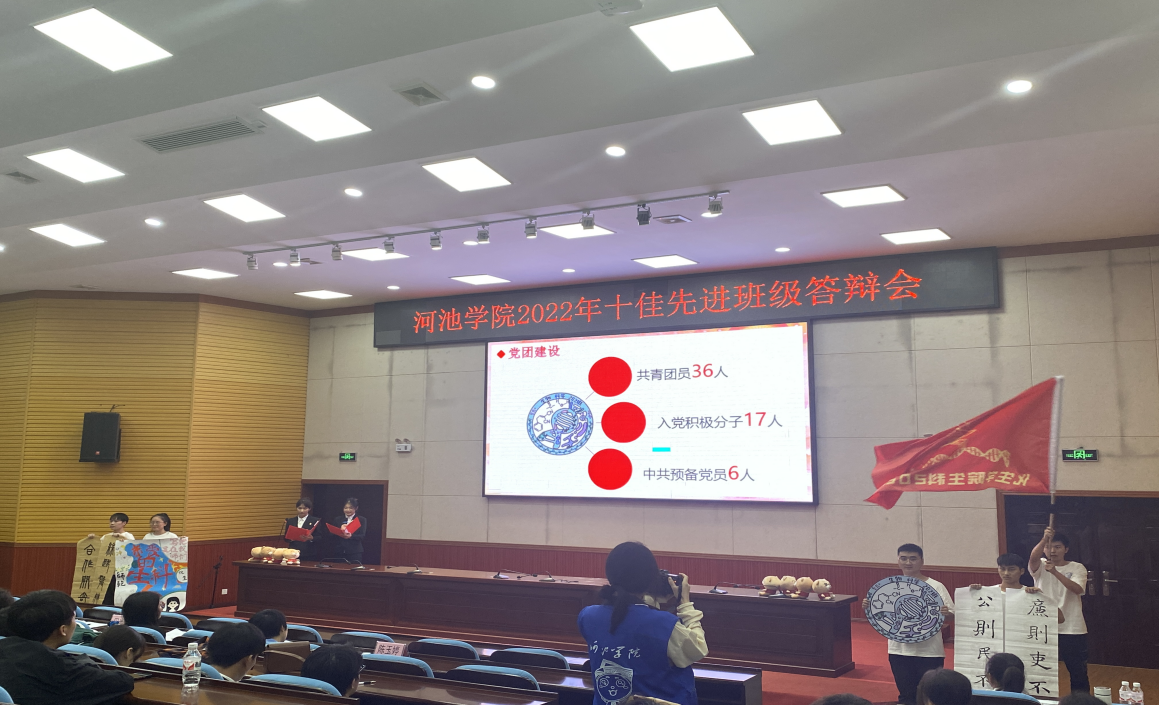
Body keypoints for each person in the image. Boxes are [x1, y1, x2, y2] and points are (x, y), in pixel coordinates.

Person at [577, 541, 707, 705]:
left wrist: (649, 600)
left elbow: (629, 619)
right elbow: (697, 649)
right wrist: (685, 603)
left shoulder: (587, 616)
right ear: (650, 579)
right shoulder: (664, 624)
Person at [0, 590, 135, 705]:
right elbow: (123, 682)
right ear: (63, 630)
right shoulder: (62, 668)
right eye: (74, 619)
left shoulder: (5, 647)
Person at [862, 543, 955, 705]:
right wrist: (869, 607)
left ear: (922, 561)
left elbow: (952, 616)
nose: (908, 562)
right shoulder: (888, 587)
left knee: (929, 696)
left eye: (913, 559)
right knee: (906, 695)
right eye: (903, 558)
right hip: (899, 650)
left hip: (929, 651)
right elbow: (880, 617)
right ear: (898, 560)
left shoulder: (936, 586)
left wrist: (947, 613)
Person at [1029, 527, 1088, 693]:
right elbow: (1033, 557)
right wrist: (1044, 538)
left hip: (1072, 627)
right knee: (1040, 666)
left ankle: (1080, 701)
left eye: (1057, 547)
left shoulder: (1077, 567)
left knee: (1077, 671)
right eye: (1048, 547)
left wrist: (1055, 572)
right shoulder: (1040, 565)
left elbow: (1077, 589)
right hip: (1044, 627)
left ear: (1066, 549)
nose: (1052, 551)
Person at [330, 498, 366, 564]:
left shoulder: (361, 519)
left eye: (351, 508)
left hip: (354, 551)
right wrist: (340, 531)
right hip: (339, 551)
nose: (348, 510)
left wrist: (351, 536)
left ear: (356, 508)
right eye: (346, 508)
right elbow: (331, 534)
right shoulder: (337, 519)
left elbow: (362, 536)